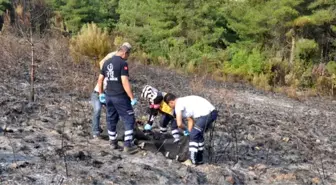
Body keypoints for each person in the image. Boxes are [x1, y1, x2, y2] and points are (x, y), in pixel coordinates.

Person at [97, 44, 139, 154]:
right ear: (125, 53)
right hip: (120, 96)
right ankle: (128, 145)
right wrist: (131, 97)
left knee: (111, 118)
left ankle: (113, 142)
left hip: (108, 95)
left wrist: (101, 94)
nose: (127, 57)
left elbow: (100, 80)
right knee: (129, 119)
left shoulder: (106, 62)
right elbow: (125, 81)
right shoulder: (122, 63)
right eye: (128, 55)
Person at [90, 42, 132, 139]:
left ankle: (115, 133)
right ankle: (95, 131)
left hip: (111, 95)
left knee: (115, 113)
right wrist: (101, 94)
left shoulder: (117, 76)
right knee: (97, 109)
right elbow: (100, 79)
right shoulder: (111, 62)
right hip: (98, 93)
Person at [164, 93, 218, 166]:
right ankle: (199, 159)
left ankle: (193, 160)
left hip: (207, 114)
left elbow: (179, 124)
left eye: (169, 105)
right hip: (212, 112)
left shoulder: (178, 105)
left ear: (171, 102)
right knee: (198, 135)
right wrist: (188, 131)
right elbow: (190, 120)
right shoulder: (183, 102)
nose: (171, 107)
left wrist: (187, 130)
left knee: (194, 134)